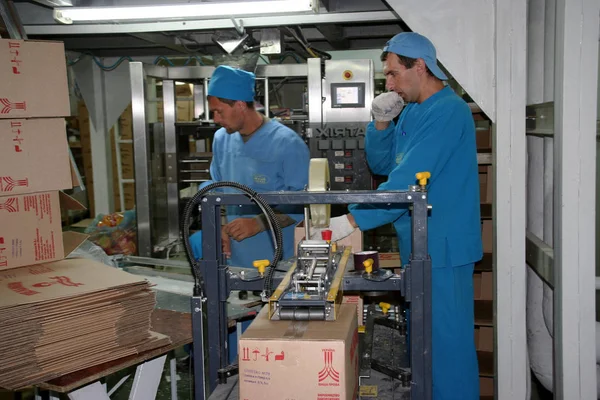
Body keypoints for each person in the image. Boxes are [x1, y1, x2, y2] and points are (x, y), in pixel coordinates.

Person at [320, 32, 482, 399]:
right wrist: (380, 124)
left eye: (393, 74)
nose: (389, 83)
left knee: (446, 351)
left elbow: (406, 187)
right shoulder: (411, 111)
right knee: (423, 347)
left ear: (420, 66)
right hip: (419, 248)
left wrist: (351, 220)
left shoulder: (449, 111)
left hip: (444, 250)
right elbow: (381, 164)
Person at [189, 65, 310, 270]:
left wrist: (258, 223)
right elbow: (217, 188)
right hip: (235, 258)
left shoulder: (287, 143)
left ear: (240, 105)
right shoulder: (221, 139)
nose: (216, 119)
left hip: (277, 260)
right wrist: (218, 229)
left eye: (220, 112)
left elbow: (302, 204)